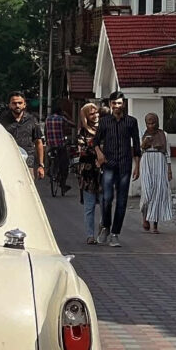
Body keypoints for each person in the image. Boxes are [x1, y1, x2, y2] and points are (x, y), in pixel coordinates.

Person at [94, 90, 141, 247]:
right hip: (109, 164)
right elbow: (95, 141)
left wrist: (137, 166)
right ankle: (106, 227)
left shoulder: (131, 122)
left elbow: (136, 144)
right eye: (114, 103)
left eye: (119, 103)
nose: (116, 106)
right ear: (110, 104)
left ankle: (115, 233)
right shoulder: (104, 122)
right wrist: (99, 154)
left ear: (124, 104)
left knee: (121, 201)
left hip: (125, 165)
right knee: (107, 199)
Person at [139, 113, 173, 233]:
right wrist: (144, 144)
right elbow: (138, 151)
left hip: (160, 162)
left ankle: (155, 225)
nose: (151, 125)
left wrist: (169, 170)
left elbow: (167, 152)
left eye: (153, 123)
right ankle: (145, 217)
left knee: (158, 193)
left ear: (157, 122)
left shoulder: (164, 134)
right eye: (148, 123)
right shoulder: (142, 133)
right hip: (146, 162)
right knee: (147, 192)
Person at [0, 91, 45, 180]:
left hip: (28, 165)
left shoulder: (32, 120)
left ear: (24, 104)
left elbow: (38, 143)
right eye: (14, 103)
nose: (17, 105)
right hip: (8, 164)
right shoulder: (2, 121)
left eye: (20, 103)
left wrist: (41, 165)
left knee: (27, 192)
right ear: (9, 105)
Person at [76, 102, 102, 244]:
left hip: (104, 172)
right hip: (88, 174)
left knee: (106, 204)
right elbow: (81, 150)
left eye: (96, 112)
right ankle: (90, 235)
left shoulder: (105, 129)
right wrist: (97, 153)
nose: (95, 115)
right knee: (89, 206)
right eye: (91, 113)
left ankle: (103, 229)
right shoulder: (83, 132)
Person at [44, 99, 75, 194]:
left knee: (49, 157)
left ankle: (49, 169)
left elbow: (45, 131)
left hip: (50, 144)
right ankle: (63, 184)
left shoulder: (48, 119)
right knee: (65, 165)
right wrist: (66, 115)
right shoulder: (62, 118)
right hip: (60, 145)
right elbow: (73, 124)